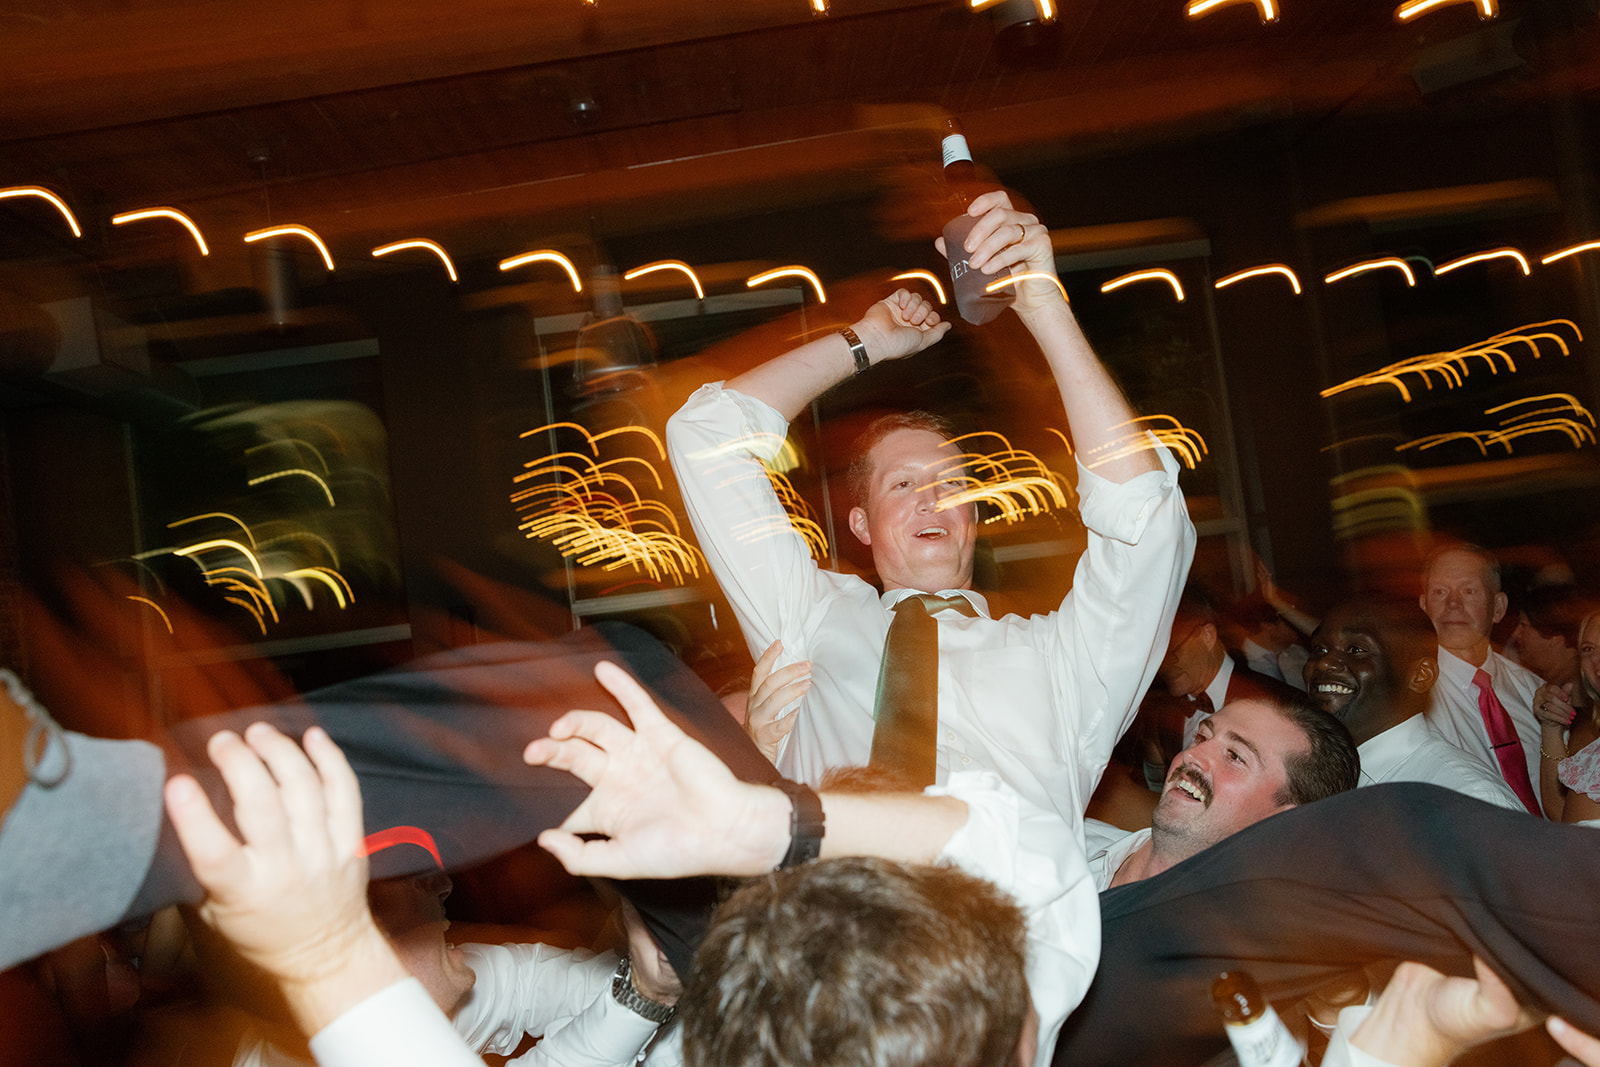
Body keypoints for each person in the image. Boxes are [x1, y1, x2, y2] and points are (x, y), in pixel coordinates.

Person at [515, 667, 1600, 1067]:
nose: (1196, 754)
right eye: (1206, 731)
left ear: (1287, 823)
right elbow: (1019, 860)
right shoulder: (1059, 884)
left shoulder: (1304, 966)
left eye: (1236, 755)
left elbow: (1006, 849)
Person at [665, 190, 1195, 827]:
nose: (933, 496)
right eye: (902, 485)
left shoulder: (1062, 659)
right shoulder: (809, 618)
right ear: (860, 525)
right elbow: (707, 435)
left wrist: (1041, 300)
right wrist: (865, 343)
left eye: (951, 482)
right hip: (834, 917)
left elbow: (1146, 519)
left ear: (973, 517)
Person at [0, 622, 776, 978]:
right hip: (823, 923)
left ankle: (96, 831)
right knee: (620, 679)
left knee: (617, 682)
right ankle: (98, 832)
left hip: (828, 972)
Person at [526, 661, 1095, 1067]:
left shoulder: (729, 1031)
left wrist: (774, 826)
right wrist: (777, 826)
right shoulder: (994, 1015)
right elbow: (1031, 855)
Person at [1303, 596, 1524, 809]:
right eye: (1319, 649)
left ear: (1421, 676)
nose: (1324, 664)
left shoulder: (1468, 799)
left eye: (1356, 650)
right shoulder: (1310, 773)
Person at [1418, 544, 1546, 816]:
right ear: (1423, 606)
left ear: (1498, 607)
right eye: (1440, 591)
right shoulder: (1409, 701)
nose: (1453, 603)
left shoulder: (1533, 690)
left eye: (1469, 590)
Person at [1133, 585, 1297, 789]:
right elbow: (1154, 791)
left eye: (1171, 653)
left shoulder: (1282, 707)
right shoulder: (1160, 714)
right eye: (1155, 658)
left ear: (1207, 636)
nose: (1162, 667)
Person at [1533, 607, 1600, 823]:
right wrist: (1551, 728)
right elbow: (1560, 813)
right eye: (1588, 649)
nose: (1597, 661)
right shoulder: (1588, 739)